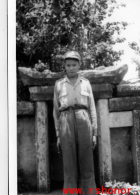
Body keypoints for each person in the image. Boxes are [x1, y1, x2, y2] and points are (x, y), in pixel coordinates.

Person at [53, 51, 97, 195]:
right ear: (64, 67)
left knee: (86, 160)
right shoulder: (59, 85)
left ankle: (89, 192)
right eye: (68, 65)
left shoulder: (86, 83)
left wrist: (94, 133)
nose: (71, 68)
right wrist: (58, 134)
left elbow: (92, 108)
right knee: (69, 161)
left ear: (79, 65)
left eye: (74, 65)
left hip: (83, 119)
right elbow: (56, 112)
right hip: (66, 120)